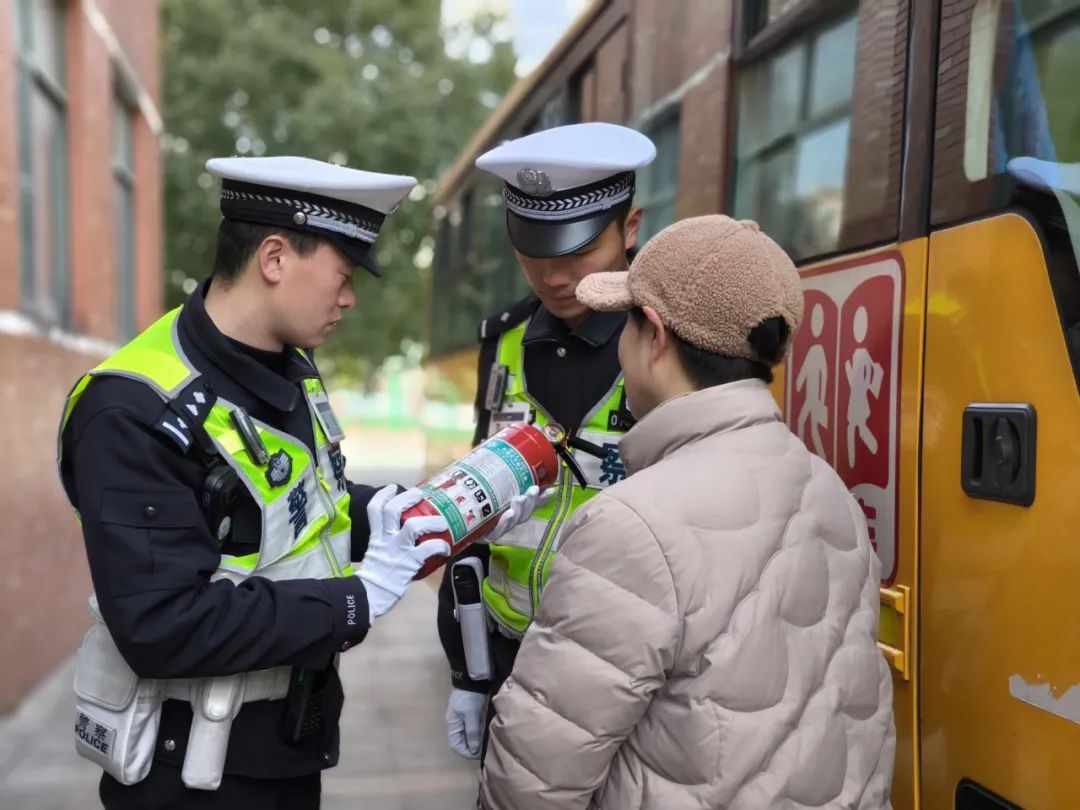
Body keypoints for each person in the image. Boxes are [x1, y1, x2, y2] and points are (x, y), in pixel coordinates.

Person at [57, 155, 451, 809]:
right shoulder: (131, 409)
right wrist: (354, 600)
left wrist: (398, 510)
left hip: (287, 746)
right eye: (343, 276)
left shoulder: (291, 369)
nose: (350, 298)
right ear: (274, 258)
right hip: (191, 776)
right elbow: (161, 623)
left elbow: (306, 502)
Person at [479, 215, 897, 809]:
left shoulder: (633, 522)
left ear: (654, 335)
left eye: (621, 322)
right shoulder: (827, 488)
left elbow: (534, 782)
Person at [437, 123, 656, 761]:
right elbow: (474, 516)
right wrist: (468, 670)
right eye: (535, 251)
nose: (554, 277)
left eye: (577, 251)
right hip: (510, 661)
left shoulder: (667, 343)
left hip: (625, 679)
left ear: (631, 226)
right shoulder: (502, 343)